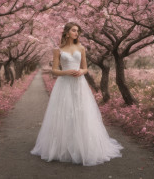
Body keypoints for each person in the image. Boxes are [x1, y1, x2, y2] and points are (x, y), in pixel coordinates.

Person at [30, 22, 123, 166]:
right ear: (67, 32)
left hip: (79, 84)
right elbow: (54, 70)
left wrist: (81, 71)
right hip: (64, 84)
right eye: (74, 30)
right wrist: (66, 72)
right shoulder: (58, 49)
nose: (76, 33)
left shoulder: (81, 48)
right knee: (65, 112)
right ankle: (64, 147)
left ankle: (82, 146)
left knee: (81, 112)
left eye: (78, 31)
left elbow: (85, 68)